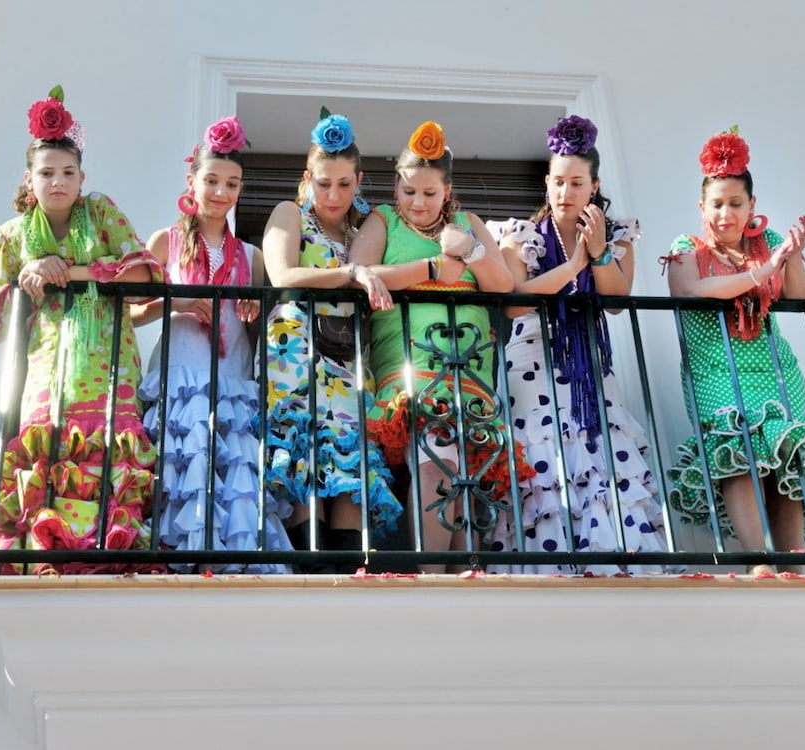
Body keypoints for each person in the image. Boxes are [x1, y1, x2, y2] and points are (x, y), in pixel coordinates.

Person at [0, 86, 163, 573]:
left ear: (82, 178)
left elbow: (142, 277)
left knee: (108, 451)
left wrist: (65, 271)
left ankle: (107, 557)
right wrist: (26, 279)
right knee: (46, 451)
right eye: (47, 173)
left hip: (105, 361)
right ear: (29, 180)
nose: (58, 182)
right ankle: (46, 557)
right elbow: (2, 322)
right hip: (43, 364)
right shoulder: (10, 237)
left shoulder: (100, 213)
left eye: (68, 173)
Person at [486, 114, 673, 575]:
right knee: (543, 459)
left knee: (599, 458)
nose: (564, 192)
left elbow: (614, 300)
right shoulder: (520, 235)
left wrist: (600, 253)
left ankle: (608, 563)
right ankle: (549, 565)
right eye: (557, 182)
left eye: (575, 182)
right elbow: (513, 302)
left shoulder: (617, 235)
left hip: (589, 368)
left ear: (594, 186)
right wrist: (573, 265)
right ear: (546, 184)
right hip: (530, 361)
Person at [663, 127, 805, 574]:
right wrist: (764, 268)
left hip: (773, 370)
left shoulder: (764, 248)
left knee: (788, 461)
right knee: (739, 456)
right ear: (702, 208)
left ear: (752, 206)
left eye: (735, 203)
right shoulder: (686, 249)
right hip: (716, 370)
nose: (726, 213)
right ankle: (758, 561)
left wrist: (789, 257)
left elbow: (799, 295)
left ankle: (791, 568)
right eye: (717, 204)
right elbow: (691, 288)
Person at [349, 120, 532, 571]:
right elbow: (356, 272)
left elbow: (503, 286)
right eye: (409, 191)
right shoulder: (382, 219)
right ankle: (431, 576)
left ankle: (457, 575)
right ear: (396, 186)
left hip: (470, 366)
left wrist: (470, 252)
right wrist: (431, 267)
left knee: (462, 472)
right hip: (413, 362)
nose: (418, 202)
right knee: (433, 464)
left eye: (430, 193)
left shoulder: (466, 223)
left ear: (447, 191)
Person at [131, 116, 293, 573]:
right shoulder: (165, 242)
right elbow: (130, 312)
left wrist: (255, 310)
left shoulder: (252, 256)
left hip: (233, 378)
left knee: (234, 474)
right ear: (192, 181)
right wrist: (176, 301)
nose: (221, 193)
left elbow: (262, 328)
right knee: (184, 467)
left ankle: (232, 566)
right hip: (181, 372)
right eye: (212, 181)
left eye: (232, 184)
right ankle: (183, 564)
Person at [262, 110, 401, 571]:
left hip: (348, 363)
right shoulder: (289, 214)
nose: (334, 194)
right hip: (297, 355)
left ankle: (349, 590)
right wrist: (351, 272)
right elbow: (283, 274)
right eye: (324, 183)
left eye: (344, 183)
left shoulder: (363, 232)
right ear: (307, 179)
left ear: (359, 180)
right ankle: (310, 585)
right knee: (308, 468)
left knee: (350, 473)